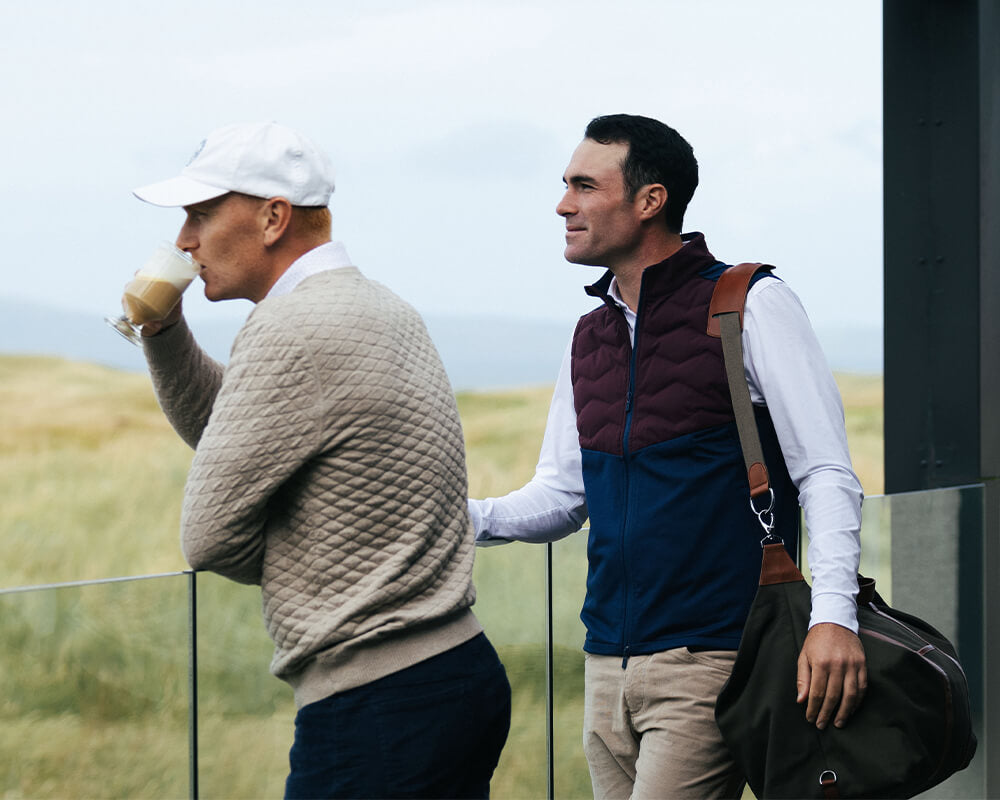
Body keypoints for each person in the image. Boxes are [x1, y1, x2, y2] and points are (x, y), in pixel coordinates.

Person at [469, 114, 867, 799]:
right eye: (565, 185)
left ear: (650, 201)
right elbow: (563, 496)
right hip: (605, 665)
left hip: (711, 656)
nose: (563, 204)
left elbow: (825, 471)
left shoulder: (750, 303)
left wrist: (833, 617)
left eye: (584, 186)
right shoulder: (588, 336)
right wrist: (447, 517)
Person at [130, 121, 511, 799]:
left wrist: (301, 561)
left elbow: (208, 536)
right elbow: (241, 435)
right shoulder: (380, 306)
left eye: (201, 214)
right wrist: (162, 331)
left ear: (273, 217)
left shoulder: (290, 326)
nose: (185, 240)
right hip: (454, 671)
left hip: (379, 703)